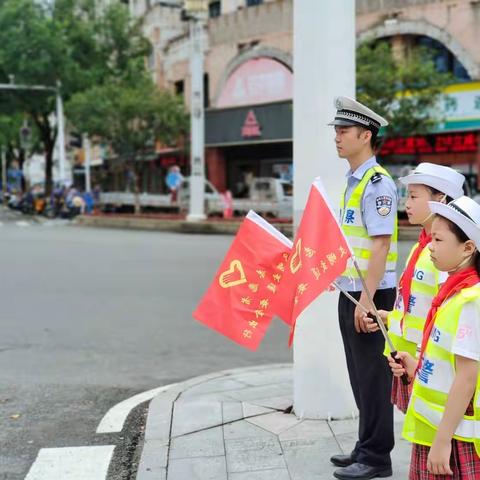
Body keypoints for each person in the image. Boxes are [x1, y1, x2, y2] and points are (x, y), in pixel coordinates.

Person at [328, 96, 398, 480]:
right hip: (353, 291)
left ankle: (376, 458)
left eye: (343, 131)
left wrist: (367, 300)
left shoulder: (378, 183)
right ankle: (364, 444)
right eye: (336, 131)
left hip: (372, 295)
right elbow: (353, 243)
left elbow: (381, 244)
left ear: (365, 135)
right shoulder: (352, 182)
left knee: (373, 377)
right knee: (359, 374)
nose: (337, 137)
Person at [389, 195, 480, 479]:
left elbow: (467, 377)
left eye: (439, 240)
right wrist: (415, 367)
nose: (430, 246)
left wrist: (442, 443)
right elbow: (446, 365)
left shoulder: (471, 301)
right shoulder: (452, 294)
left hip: (455, 437)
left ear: (467, 247)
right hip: (437, 431)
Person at [364, 163, 465, 413]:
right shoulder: (420, 246)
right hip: (407, 358)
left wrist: (421, 358)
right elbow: (415, 302)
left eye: (413, 196)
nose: (406, 203)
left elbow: (444, 312)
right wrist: (389, 317)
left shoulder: (442, 255)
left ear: (439, 199)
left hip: (426, 363)